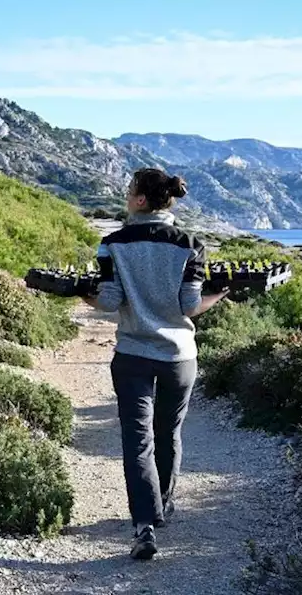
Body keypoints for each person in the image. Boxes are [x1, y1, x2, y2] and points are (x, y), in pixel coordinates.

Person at [83, 167, 230, 560]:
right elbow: (190, 307)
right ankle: (162, 507)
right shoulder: (190, 244)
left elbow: (110, 302)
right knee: (169, 433)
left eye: (129, 190)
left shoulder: (112, 243)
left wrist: (83, 297)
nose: (126, 195)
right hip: (179, 357)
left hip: (132, 354)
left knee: (137, 440)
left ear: (142, 200)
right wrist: (222, 294)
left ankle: (143, 525)